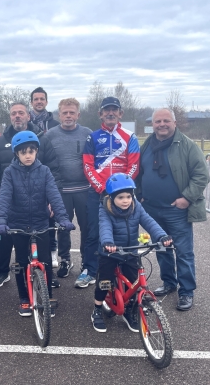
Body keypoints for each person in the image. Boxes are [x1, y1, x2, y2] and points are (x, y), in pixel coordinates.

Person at [0, 131, 74, 317]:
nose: (28, 155)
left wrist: (63, 218)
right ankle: (24, 298)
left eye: (31, 151)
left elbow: (54, 194)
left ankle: (48, 297)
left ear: (37, 151)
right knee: (21, 263)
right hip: (18, 224)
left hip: (40, 223)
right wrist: (1, 221)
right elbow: (4, 197)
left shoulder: (44, 171)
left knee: (44, 263)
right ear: (16, 154)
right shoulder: (9, 173)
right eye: (23, 152)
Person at [137, 108, 210, 311]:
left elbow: (202, 175)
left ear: (174, 123)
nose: (162, 124)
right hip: (151, 208)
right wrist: (140, 194)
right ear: (153, 124)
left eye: (166, 121)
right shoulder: (148, 145)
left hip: (176, 209)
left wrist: (186, 198)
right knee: (162, 248)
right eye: (158, 121)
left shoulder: (187, 145)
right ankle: (169, 283)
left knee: (184, 252)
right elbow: (139, 172)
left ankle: (186, 291)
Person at [0, 102, 62, 288]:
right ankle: (3, 272)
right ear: (10, 117)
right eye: (14, 113)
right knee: (5, 241)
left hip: (37, 203)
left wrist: (53, 200)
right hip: (9, 203)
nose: (17, 116)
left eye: (21, 113)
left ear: (28, 116)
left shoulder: (41, 140)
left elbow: (53, 170)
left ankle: (46, 277)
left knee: (42, 243)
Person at [90, 173, 171, 333]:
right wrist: (108, 242)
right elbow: (105, 226)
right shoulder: (105, 208)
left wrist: (162, 236)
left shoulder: (136, 207)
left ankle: (129, 311)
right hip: (110, 252)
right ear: (112, 197)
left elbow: (149, 221)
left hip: (130, 251)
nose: (125, 200)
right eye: (121, 197)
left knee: (134, 282)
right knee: (104, 281)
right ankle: (98, 309)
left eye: (128, 196)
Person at [78, 96, 140, 288]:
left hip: (123, 194)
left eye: (114, 110)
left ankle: (127, 270)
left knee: (127, 233)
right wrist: (101, 188)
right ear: (100, 114)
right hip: (97, 193)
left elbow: (134, 166)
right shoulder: (93, 137)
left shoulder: (130, 137)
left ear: (120, 113)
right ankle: (89, 269)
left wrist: (119, 190)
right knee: (93, 233)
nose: (110, 113)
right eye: (106, 110)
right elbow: (88, 165)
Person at [43, 98, 91, 279]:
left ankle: (87, 261)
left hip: (84, 190)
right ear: (59, 114)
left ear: (78, 114)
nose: (68, 116)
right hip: (60, 191)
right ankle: (65, 259)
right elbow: (45, 163)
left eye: (72, 112)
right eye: (65, 112)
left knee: (87, 228)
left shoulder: (88, 133)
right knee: (63, 228)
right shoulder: (50, 135)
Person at [29, 87, 61, 267]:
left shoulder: (55, 125)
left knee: (50, 218)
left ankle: (52, 252)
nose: (39, 101)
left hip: (48, 174)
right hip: (29, 176)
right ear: (31, 102)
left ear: (46, 102)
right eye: (36, 99)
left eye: (42, 99)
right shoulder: (26, 122)